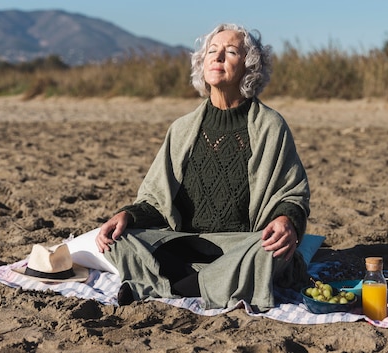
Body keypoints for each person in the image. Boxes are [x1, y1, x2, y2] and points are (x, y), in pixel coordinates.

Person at [94, 23, 311, 311]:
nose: (218, 57)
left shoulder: (270, 126)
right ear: (202, 62)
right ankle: (211, 283)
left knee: (272, 252)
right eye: (212, 51)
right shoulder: (182, 129)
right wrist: (127, 215)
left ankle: (174, 285)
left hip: (240, 246)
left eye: (231, 51)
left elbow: (291, 195)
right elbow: (156, 200)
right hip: (183, 243)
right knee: (121, 239)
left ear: (250, 68)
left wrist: (287, 221)